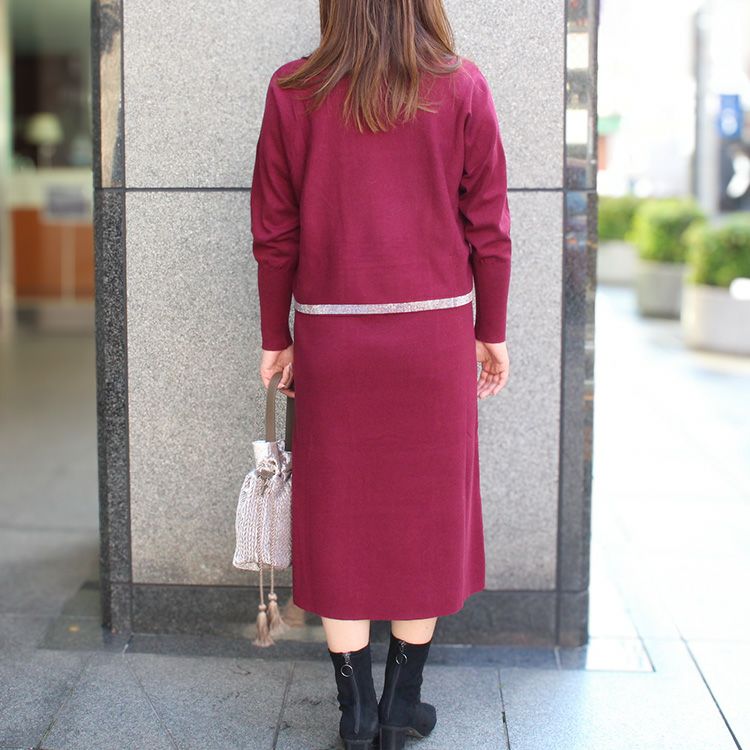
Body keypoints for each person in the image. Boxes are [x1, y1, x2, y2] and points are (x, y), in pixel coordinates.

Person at [250, 1, 511, 747]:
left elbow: (274, 231)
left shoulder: (293, 89)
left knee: (338, 520)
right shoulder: (462, 85)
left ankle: (356, 709)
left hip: (333, 340)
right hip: (434, 340)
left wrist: (277, 336)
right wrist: (491, 332)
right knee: (426, 521)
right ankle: (402, 704)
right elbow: (490, 226)